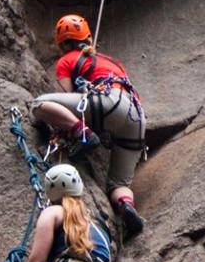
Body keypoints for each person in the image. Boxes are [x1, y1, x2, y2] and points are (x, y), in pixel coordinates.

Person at [33, 15, 147, 240]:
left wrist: (66, 127)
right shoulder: (113, 62)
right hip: (136, 117)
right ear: (87, 37)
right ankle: (126, 205)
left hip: (107, 104)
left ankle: (81, 133)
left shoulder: (67, 60)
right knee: (119, 183)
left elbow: (66, 97)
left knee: (38, 105)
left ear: (63, 44)